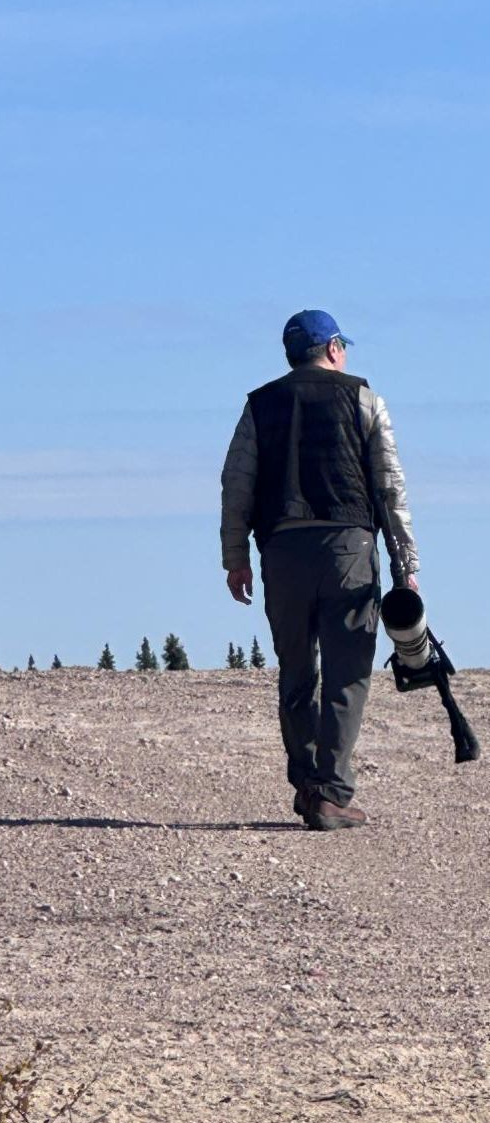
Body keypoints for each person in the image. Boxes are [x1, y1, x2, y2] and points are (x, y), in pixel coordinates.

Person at [220, 310, 418, 830]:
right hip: (348, 548)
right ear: (332, 348)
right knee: (346, 673)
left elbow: (236, 485)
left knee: (297, 671)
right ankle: (332, 792)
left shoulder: (260, 405)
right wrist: (406, 564)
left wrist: (236, 558)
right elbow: (390, 486)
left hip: (282, 550)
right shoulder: (363, 398)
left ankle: (308, 786)